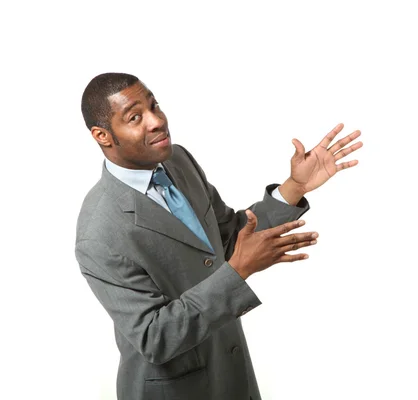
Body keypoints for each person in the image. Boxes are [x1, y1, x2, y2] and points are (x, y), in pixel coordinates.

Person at [75, 72, 363, 400]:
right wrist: (237, 271)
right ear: (103, 135)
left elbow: (227, 239)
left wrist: (293, 188)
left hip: (230, 372)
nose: (157, 121)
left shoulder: (177, 160)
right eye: (135, 117)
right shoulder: (98, 232)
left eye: (155, 105)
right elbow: (155, 337)